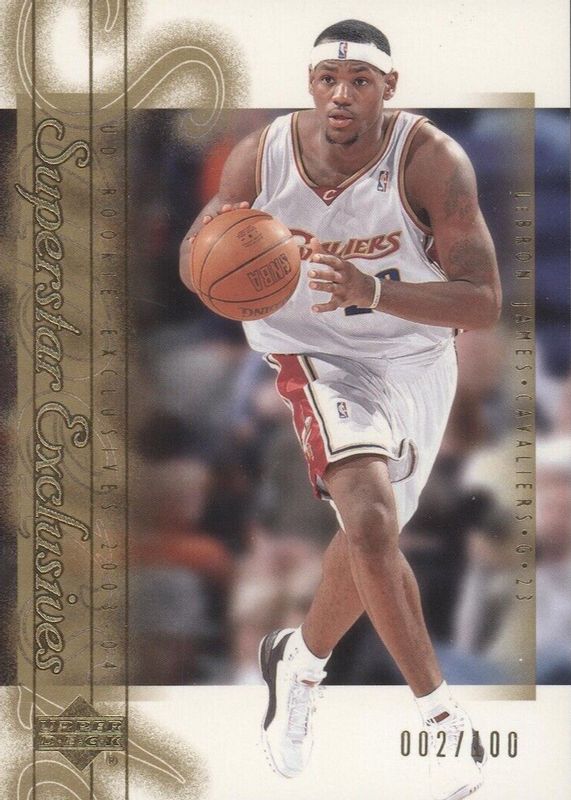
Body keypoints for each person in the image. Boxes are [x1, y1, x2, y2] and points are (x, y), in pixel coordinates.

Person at [179, 18, 501, 800]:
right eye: (328, 79)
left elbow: (482, 301)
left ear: (389, 88)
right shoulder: (262, 155)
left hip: (414, 360)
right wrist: (221, 256)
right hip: (311, 354)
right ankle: (440, 718)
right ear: (310, 84)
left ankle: (298, 663)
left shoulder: (431, 161)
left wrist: (374, 292)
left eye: (359, 81)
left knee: (369, 547)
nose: (341, 95)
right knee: (370, 521)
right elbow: (197, 255)